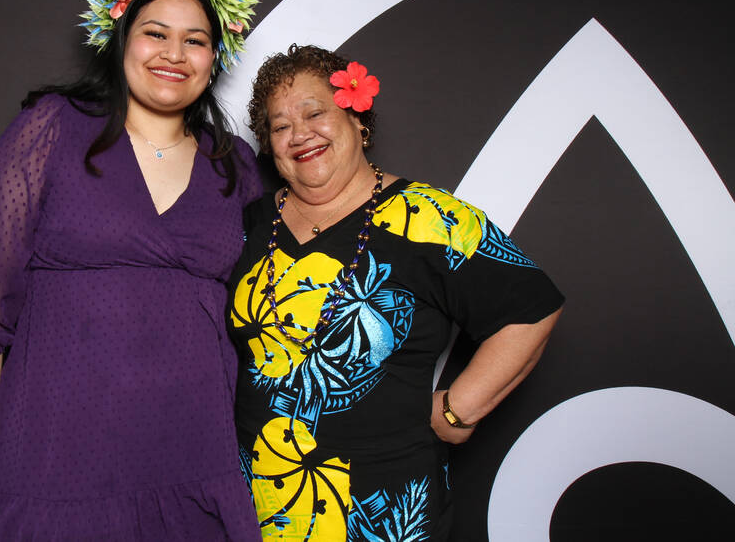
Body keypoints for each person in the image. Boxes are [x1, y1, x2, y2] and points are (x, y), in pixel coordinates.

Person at [0, 0, 262, 541]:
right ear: (121, 41)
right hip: (58, 429)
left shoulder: (234, 164)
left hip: (191, 437)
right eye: (155, 33)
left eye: (195, 41)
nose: (174, 53)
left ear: (215, 56)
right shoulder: (53, 128)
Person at [227, 44, 564, 540]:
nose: (300, 134)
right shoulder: (249, 220)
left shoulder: (427, 217)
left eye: (315, 113)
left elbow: (532, 308)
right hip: (257, 505)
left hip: (384, 510)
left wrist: (458, 409)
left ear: (357, 119)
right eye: (280, 126)